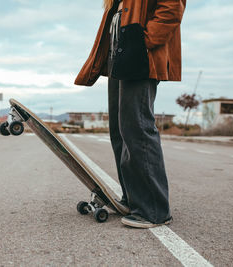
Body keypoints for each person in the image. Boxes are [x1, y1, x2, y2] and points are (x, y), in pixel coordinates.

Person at [75, 0, 186, 228]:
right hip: (120, 53)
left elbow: (172, 8)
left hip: (139, 53)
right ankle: (135, 199)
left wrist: (144, 41)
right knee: (120, 130)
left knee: (138, 127)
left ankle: (154, 210)